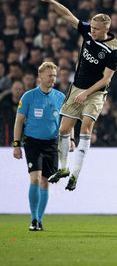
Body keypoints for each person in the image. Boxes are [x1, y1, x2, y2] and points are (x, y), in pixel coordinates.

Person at [40, 0, 117, 191]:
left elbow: (106, 78)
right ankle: (64, 169)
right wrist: (50, 0)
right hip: (77, 87)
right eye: (91, 27)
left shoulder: (114, 50)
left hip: (96, 92)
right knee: (64, 130)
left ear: (106, 29)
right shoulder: (87, 31)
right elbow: (68, 15)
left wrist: (87, 93)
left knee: (85, 129)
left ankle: (75, 174)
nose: (92, 31)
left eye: (96, 29)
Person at [13, 62, 69, 231]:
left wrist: (70, 139)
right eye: (49, 75)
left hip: (52, 144)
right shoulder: (28, 97)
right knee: (35, 178)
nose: (53, 78)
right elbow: (19, 121)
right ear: (40, 77)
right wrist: (16, 144)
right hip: (32, 143)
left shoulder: (60, 97)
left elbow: (67, 121)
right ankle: (33, 219)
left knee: (46, 182)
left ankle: (39, 219)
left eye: (54, 75)